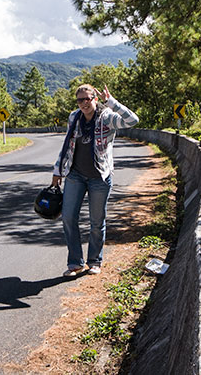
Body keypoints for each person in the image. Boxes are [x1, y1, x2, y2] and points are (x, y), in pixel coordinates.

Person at [51, 84, 139, 277]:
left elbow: (132, 120)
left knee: (96, 222)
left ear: (95, 99)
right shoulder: (74, 117)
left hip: (100, 176)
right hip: (75, 175)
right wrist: (57, 170)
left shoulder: (106, 117)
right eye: (80, 100)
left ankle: (94, 261)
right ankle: (75, 263)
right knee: (68, 216)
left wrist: (112, 102)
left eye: (87, 99)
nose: (84, 103)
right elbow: (66, 144)